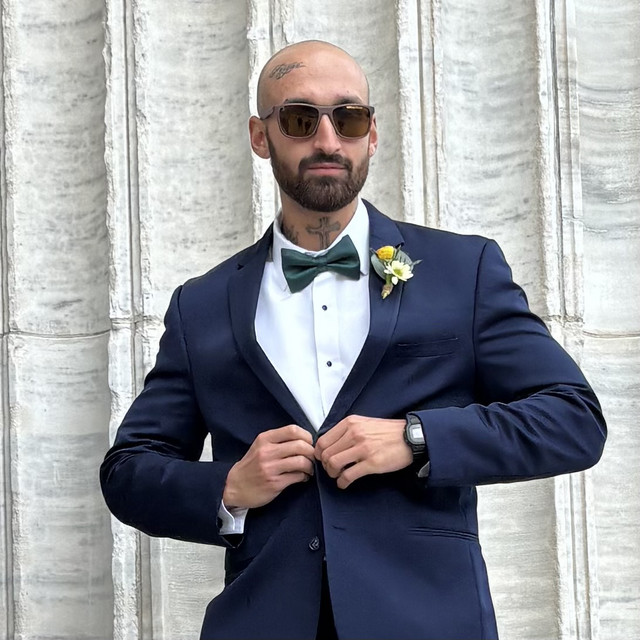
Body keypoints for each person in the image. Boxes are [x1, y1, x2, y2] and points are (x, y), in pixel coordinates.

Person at [100, 40, 607, 640]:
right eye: (299, 119)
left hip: (427, 622)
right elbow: (128, 471)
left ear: (373, 133)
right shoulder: (202, 305)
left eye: (349, 118)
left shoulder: (462, 271)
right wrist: (229, 486)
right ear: (261, 137)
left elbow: (573, 419)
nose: (327, 140)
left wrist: (417, 438)